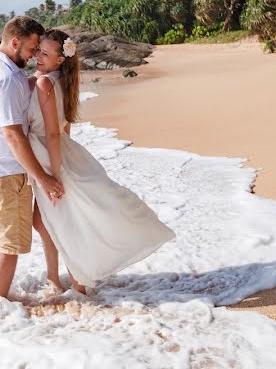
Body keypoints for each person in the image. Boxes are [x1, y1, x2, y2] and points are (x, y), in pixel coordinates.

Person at [28, 29, 175, 293]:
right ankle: (56, 278)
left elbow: (52, 132)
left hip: (50, 157)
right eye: (38, 50)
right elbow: (64, 129)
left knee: (60, 221)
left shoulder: (44, 84)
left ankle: (77, 284)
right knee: (45, 221)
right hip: (61, 152)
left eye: (45, 53)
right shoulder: (62, 79)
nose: (38, 55)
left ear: (60, 59)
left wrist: (56, 174)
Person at [0, 16, 66, 299]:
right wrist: (43, 178)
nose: (35, 54)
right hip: (6, 173)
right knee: (10, 244)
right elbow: (13, 136)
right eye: (32, 48)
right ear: (14, 42)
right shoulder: (8, 78)